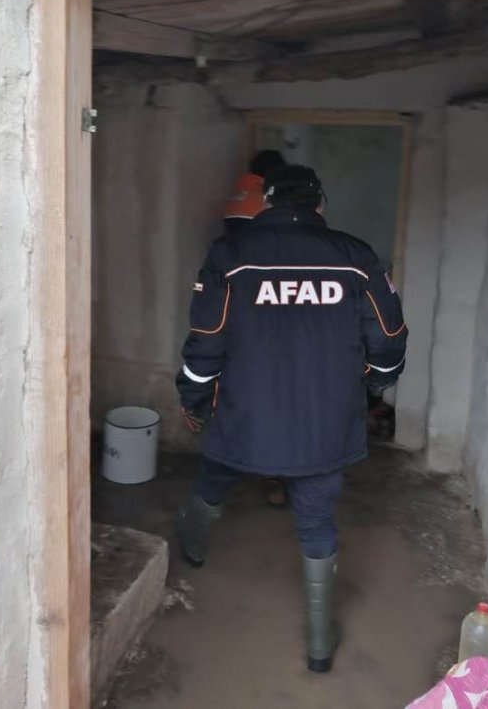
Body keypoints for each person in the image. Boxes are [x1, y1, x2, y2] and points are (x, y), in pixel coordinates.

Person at [175, 164, 408, 673]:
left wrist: (193, 397)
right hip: (324, 420)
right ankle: (319, 646)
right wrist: (373, 385)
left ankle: (190, 549)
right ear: (319, 203)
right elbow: (388, 338)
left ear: (267, 202)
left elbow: (206, 340)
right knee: (317, 519)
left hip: (244, 412)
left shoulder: (230, 255)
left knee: (215, 476)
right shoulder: (355, 256)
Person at [224, 148, 289, 507]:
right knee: (274, 391)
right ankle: (273, 472)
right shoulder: (263, 199)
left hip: (239, 305)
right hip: (265, 308)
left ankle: (241, 455)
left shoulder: (239, 194)